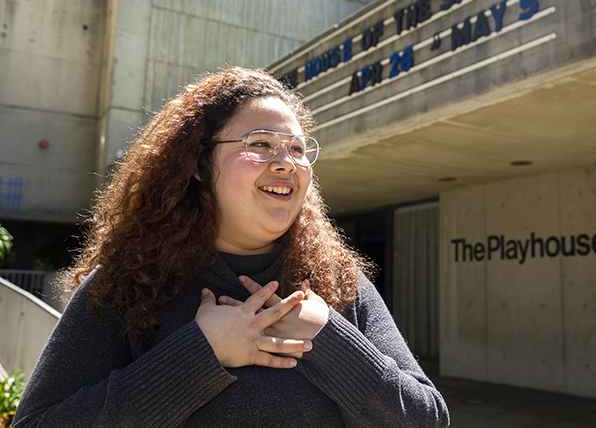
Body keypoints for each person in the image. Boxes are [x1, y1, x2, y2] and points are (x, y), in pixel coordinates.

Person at [14, 67, 450, 427]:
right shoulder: (127, 285)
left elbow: (427, 419)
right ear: (199, 165)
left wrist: (329, 337)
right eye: (259, 144)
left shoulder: (339, 284)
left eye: (297, 149)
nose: (285, 161)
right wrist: (200, 354)